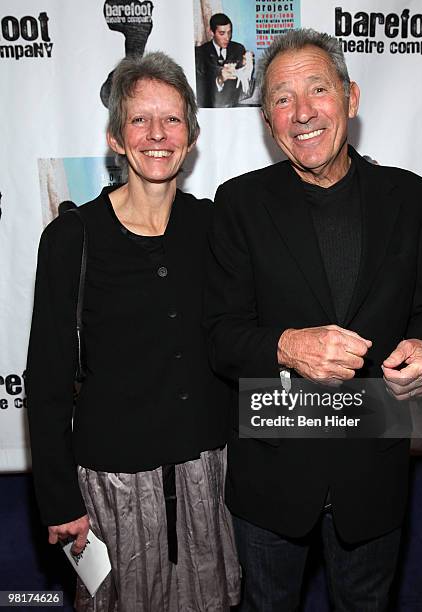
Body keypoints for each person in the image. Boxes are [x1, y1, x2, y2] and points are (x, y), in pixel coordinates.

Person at [204, 29, 422, 611]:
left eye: (317, 90)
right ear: (268, 122)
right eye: (282, 99)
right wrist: (289, 346)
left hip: (374, 470)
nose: (302, 113)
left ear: (351, 97)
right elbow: (220, 337)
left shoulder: (414, 199)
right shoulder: (239, 204)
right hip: (272, 475)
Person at [27, 52, 240, 611]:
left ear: (191, 137)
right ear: (116, 138)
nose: (156, 134)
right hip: (112, 486)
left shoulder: (213, 226)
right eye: (139, 120)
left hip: (207, 477)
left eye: (171, 119)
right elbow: (46, 380)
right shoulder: (71, 238)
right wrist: (59, 500)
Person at [195, 13, 254, 108]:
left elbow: (245, 83)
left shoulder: (238, 49)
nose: (227, 37)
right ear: (211, 32)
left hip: (235, 107)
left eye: (229, 32)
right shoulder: (200, 53)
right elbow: (200, 88)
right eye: (222, 33)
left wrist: (246, 64)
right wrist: (219, 79)